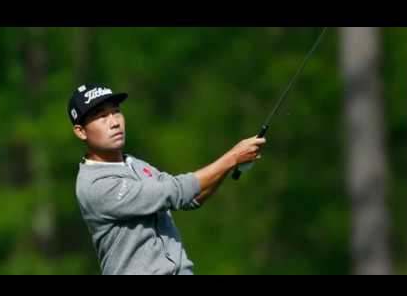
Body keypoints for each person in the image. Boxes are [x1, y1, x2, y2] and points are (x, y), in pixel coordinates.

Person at [68, 84, 266, 275]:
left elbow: (191, 198)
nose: (114, 122)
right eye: (102, 116)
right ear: (80, 131)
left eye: (116, 111)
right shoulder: (94, 185)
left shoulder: (136, 164)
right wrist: (232, 157)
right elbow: (175, 192)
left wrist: (232, 164)